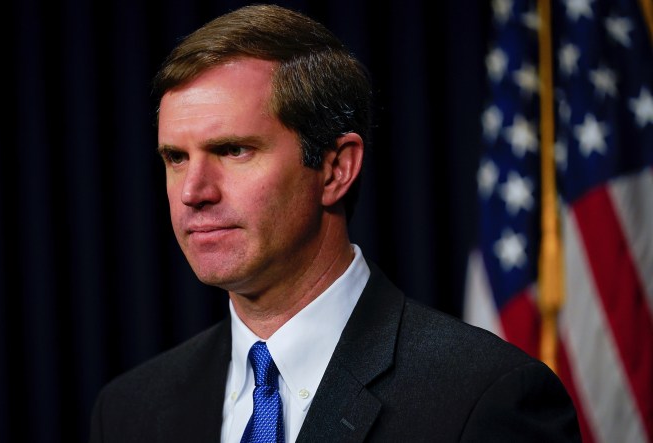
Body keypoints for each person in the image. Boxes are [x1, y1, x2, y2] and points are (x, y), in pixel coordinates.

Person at [89, 4, 580, 442]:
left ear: (335, 169)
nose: (194, 192)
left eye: (233, 150)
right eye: (175, 158)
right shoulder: (131, 410)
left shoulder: (483, 397)